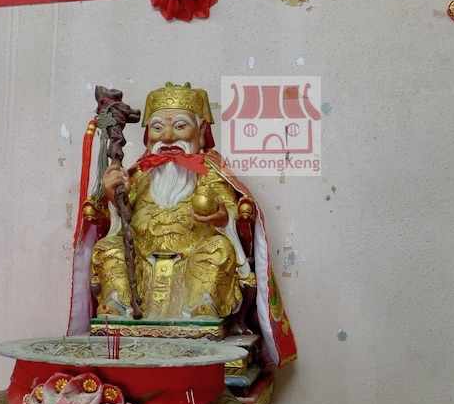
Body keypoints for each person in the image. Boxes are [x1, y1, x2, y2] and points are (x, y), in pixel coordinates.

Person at [69, 82, 296, 367]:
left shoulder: (210, 173)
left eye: (179, 126)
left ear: (200, 132)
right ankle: (117, 307)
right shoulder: (137, 176)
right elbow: (109, 222)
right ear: (147, 135)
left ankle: (202, 311)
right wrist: (114, 199)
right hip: (139, 264)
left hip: (193, 259)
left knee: (218, 249)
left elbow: (234, 212)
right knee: (108, 248)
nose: (167, 137)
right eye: (157, 128)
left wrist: (223, 218)